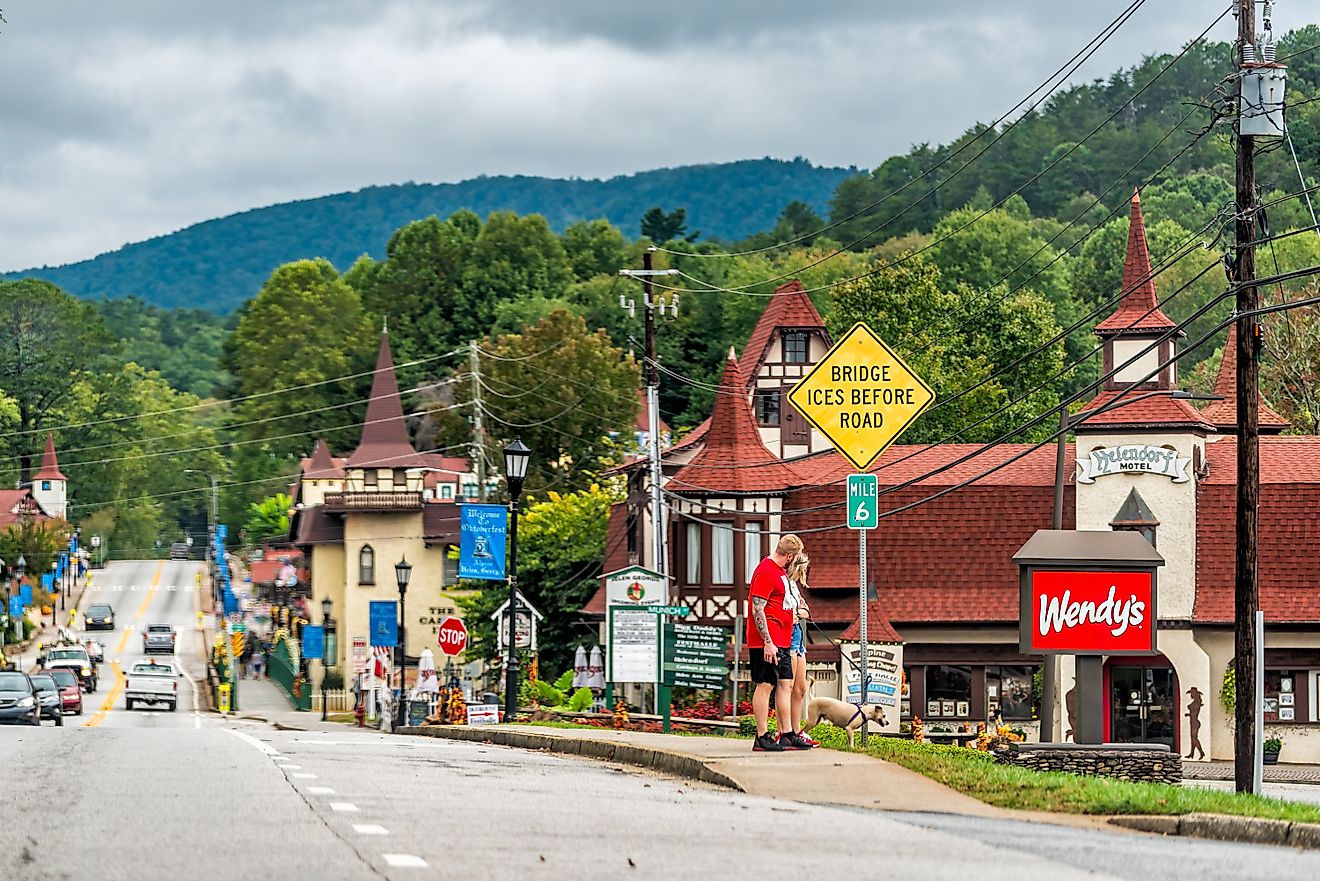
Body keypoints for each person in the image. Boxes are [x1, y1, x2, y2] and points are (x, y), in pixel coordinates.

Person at [747, 533, 807, 752]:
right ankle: (762, 735)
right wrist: (768, 642)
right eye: (797, 556)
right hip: (767, 641)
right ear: (789, 556)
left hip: (782, 638)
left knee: (784, 683)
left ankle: (788, 733)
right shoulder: (765, 571)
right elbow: (758, 608)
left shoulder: (780, 572)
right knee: (765, 685)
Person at [784, 553, 818, 748]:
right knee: (787, 687)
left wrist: (798, 613)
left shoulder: (795, 587)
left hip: (798, 634)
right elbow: (790, 612)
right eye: (804, 569)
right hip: (788, 635)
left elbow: (806, 611)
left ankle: (797, 731)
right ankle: (786, 730)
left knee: (801, 688)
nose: (805, 573)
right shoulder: (784, 584)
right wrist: (797, 613)